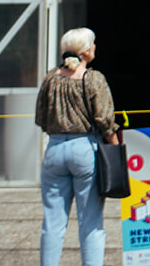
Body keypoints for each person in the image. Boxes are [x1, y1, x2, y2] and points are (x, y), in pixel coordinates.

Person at [35, 27, 119, 266]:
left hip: (54, 149)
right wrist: (115, 148)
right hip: (85, 149)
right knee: (90, 221)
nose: (95, 48)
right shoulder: (93, 79)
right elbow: (105, 120)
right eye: (93, 44)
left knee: (52, 222)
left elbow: (41, 118)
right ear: (85, 51)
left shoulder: (50, 78)